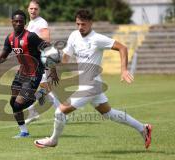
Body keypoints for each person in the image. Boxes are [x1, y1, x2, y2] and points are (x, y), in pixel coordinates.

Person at [34, 9, 152, 149]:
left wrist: (124, 69)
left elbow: (122, 48)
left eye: (83, 24)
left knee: (60, 111)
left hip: (91, 85)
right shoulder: (74, 36)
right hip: (86, 84)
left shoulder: (98, 39)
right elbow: (65, 62)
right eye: (78, 24)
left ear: (91, 23)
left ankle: (53, 140)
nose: (80, 27)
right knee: (108, 113)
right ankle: (143, 128)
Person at [0, 10, 50, 138]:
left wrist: (49, 58)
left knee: (19, 104)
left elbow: (46, 46)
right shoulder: (9, 38)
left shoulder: (30, 36)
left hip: (34, 73)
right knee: (13, 103)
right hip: (21, 72)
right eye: (16, 21)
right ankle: (24, 132)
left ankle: (41, 94)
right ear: (12, 22)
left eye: (21, 21)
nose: (18, 23)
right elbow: (4, 55)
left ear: (25, 23)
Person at [25, 0, 61, 124]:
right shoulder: (30, 23)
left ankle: (59, 112)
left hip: (40, 60)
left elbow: (46, 39)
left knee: (43, 88)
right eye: (31, 8)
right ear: (28, 9)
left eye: (35, 9)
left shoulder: (41, 22)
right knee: (42, 88)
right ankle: (59, 111)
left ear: (38, 10)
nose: (33, 11)